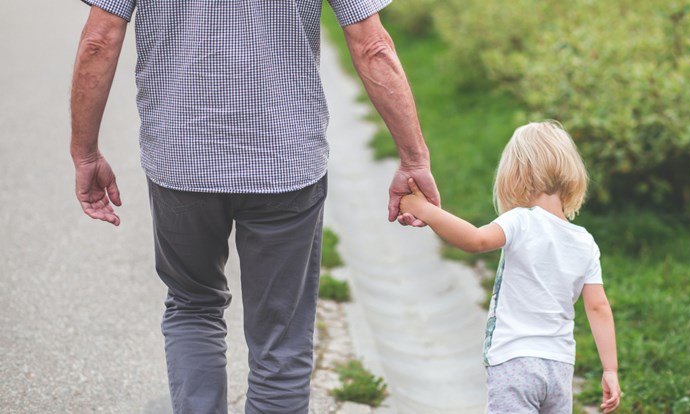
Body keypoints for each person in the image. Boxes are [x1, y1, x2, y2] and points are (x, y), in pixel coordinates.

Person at [69, 1, 439, 413]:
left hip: (182, 159)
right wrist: (413, 158)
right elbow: (373, 46)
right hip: (286, 162)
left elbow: (99, 41)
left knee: (193, 307)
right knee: (281, 337)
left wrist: (85, 154)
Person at [399, 121, 620, 414]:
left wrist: (425, 210)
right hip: (559, 367)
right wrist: (610, 370)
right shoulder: (584, 241)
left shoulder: (520, 220)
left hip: (514, 362)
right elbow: (598, 307)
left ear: (517, 174)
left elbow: (475, 240)